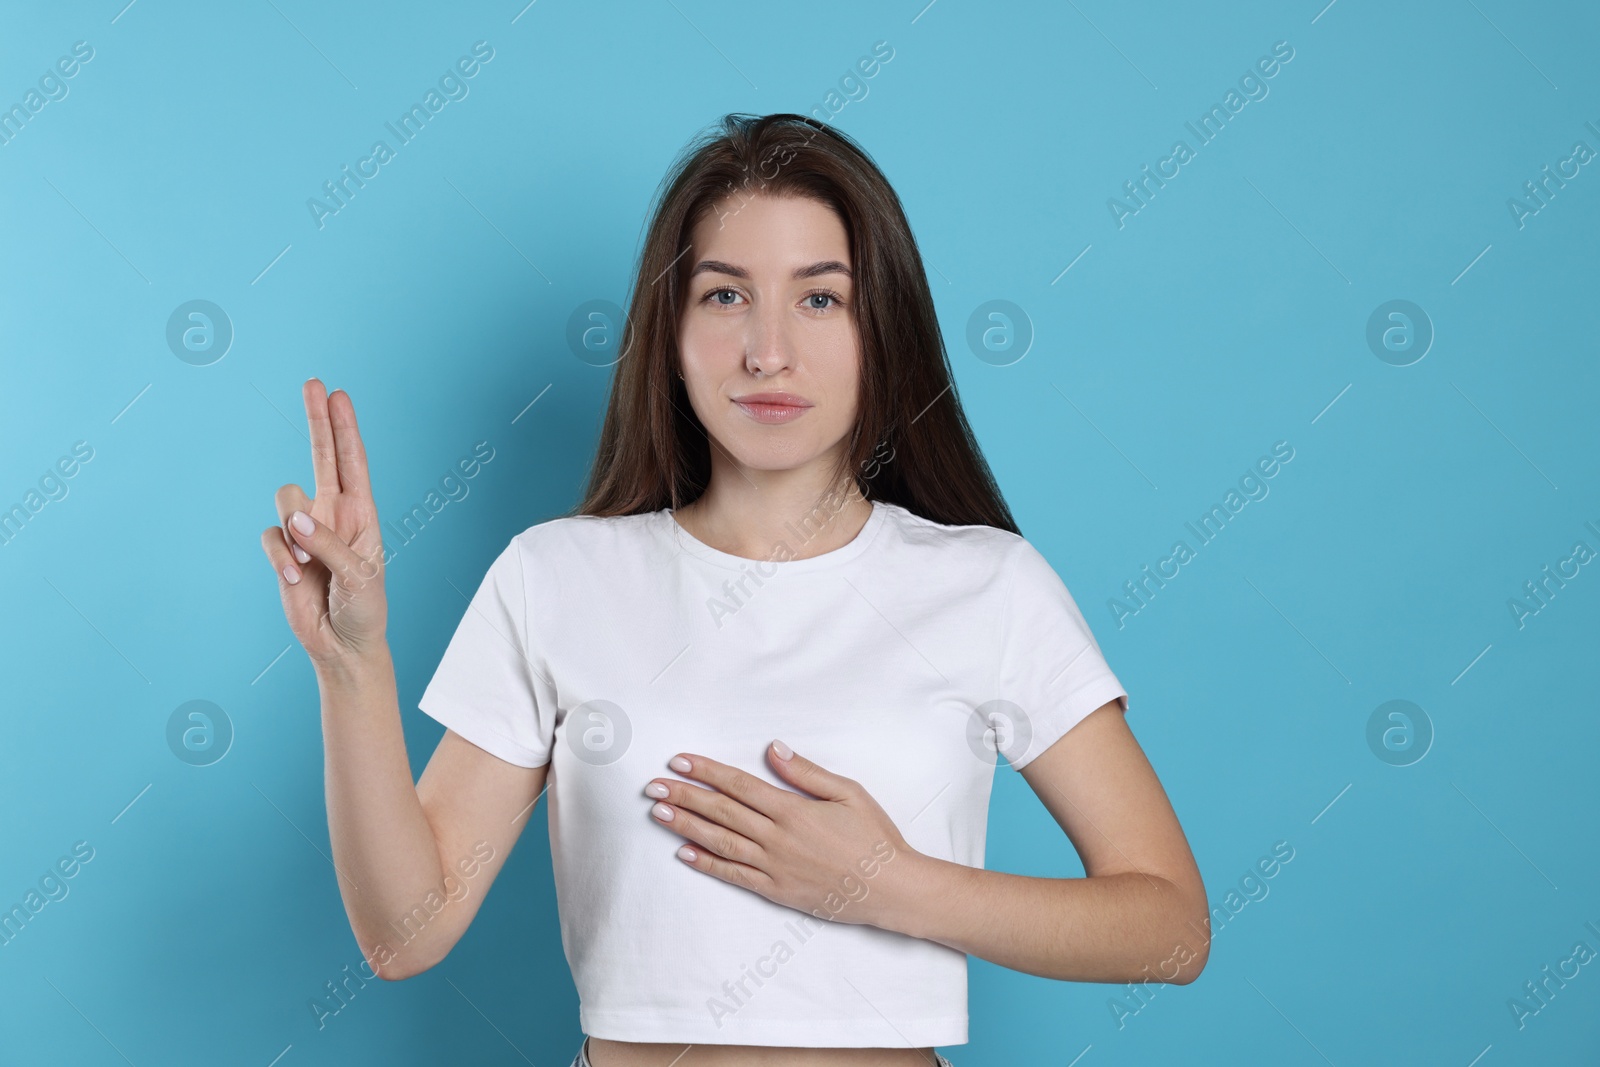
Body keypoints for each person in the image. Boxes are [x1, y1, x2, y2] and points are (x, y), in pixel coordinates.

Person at [262, 113, 1208, 1067]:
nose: (768, 352)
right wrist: (352, 667)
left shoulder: (986, 586)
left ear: (884, 327)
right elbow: (404, 933)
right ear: (668, 333)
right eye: (724, 296)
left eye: (820, 300)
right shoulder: (555, 576)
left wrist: (889, 883)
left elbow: (1171, 926)